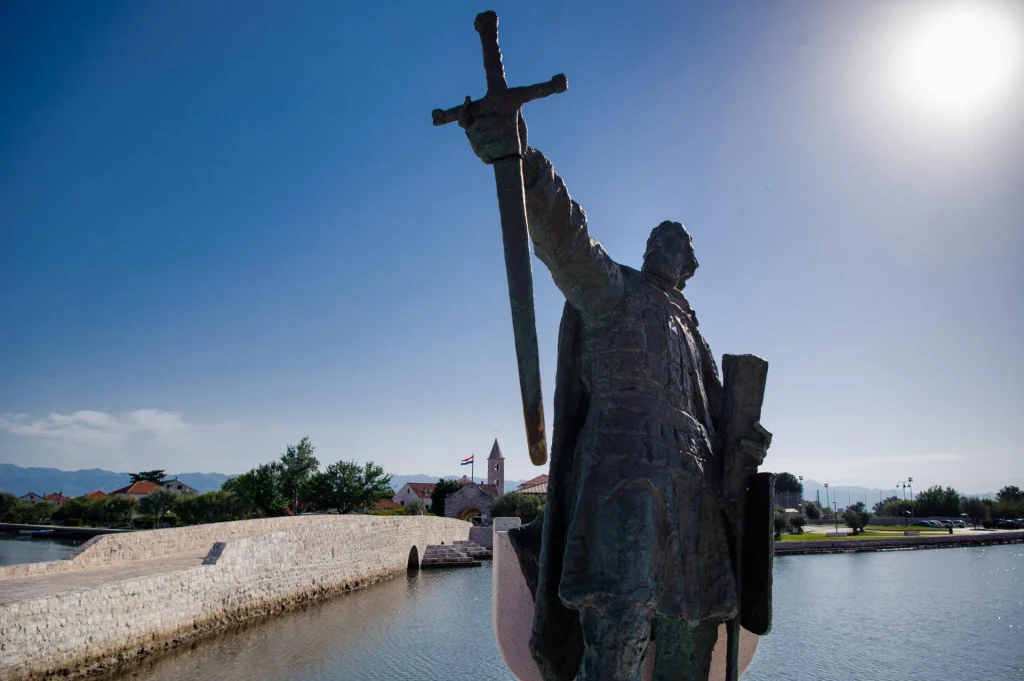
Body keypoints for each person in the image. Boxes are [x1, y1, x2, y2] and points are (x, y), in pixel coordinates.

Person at [462, 116, 770, 681]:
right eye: (655, 240)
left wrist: (746, 442)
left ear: (688, 268)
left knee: (693, 629)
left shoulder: (695, 335)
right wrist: (524, 163)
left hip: (695, 488)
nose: (658, 246)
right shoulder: (614, 290)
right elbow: (567, 242)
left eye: (672, 244)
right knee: (618, 627)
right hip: (625, 471)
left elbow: (723, 420)